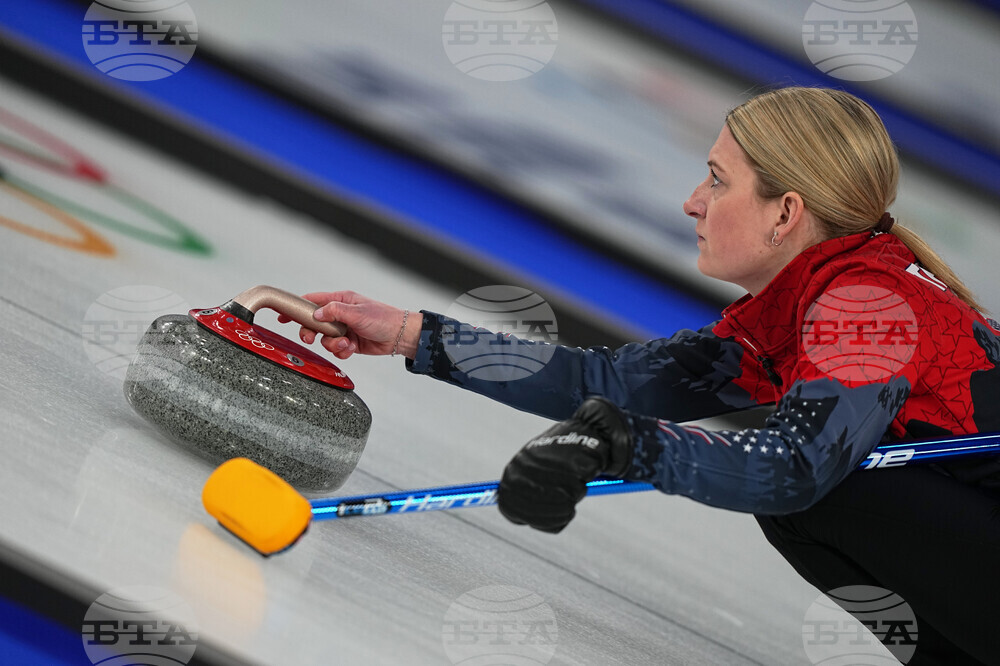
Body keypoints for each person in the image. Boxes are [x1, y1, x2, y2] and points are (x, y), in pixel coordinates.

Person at [284, 87, 1000, 664]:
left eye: (718, 181)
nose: (692, 201)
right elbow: (610, 382)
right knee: (819, 496)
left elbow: (795, 468)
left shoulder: (864, 308)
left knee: (822, 492)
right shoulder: (806, 304)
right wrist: (411, 334)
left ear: (785, 213)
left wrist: (625, 444)